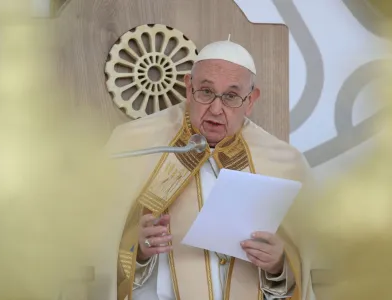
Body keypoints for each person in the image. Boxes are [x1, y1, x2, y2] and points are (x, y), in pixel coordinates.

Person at [106, 39, 312, 300]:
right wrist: (140, 251)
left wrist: (277, 266)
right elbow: (98, 255)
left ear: (251, 100)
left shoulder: (284, 162)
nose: (216, 109)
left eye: (231, 96)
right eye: (206, 92)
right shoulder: (134, 145)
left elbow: (303, 271)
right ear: (189, 88)